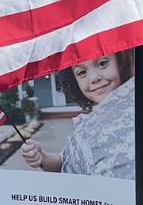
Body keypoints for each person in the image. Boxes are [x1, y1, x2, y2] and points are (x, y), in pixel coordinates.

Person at [20, 50, 135, 179]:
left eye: (102, 63)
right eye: (82, 72)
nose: (94, 78)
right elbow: (66, 161)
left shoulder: (136, 111)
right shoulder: (88, 122)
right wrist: (42, 157)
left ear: (119, 62)